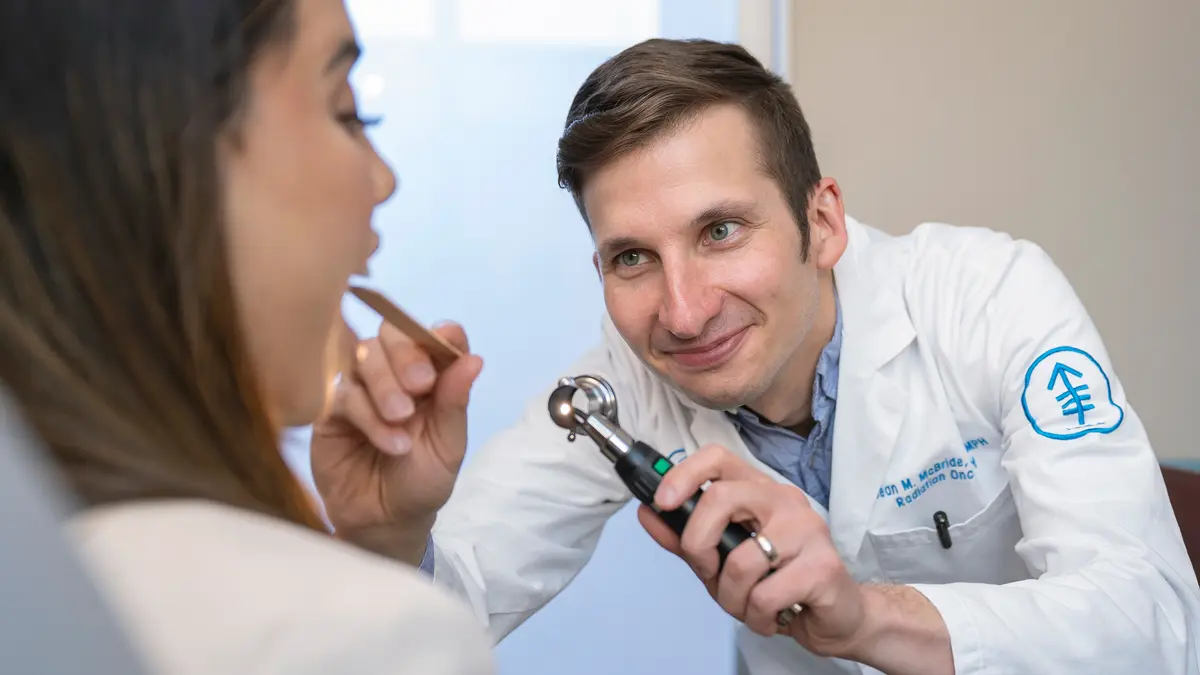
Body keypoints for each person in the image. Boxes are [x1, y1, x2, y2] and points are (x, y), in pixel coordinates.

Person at [313, 38, 1200, 674]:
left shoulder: (988, 297)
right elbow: (449, 608)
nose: (684, 312)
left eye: (721, 231)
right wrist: (390, 534)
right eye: (633, 257)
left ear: (823, 220)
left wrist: (868, 619)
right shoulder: (612, 392)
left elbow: (1156, 619)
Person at [0, 1, 493, 674]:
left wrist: (382, 545)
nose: (383, 180)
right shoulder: (353, 636)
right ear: (168, 150)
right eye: (347, 113)